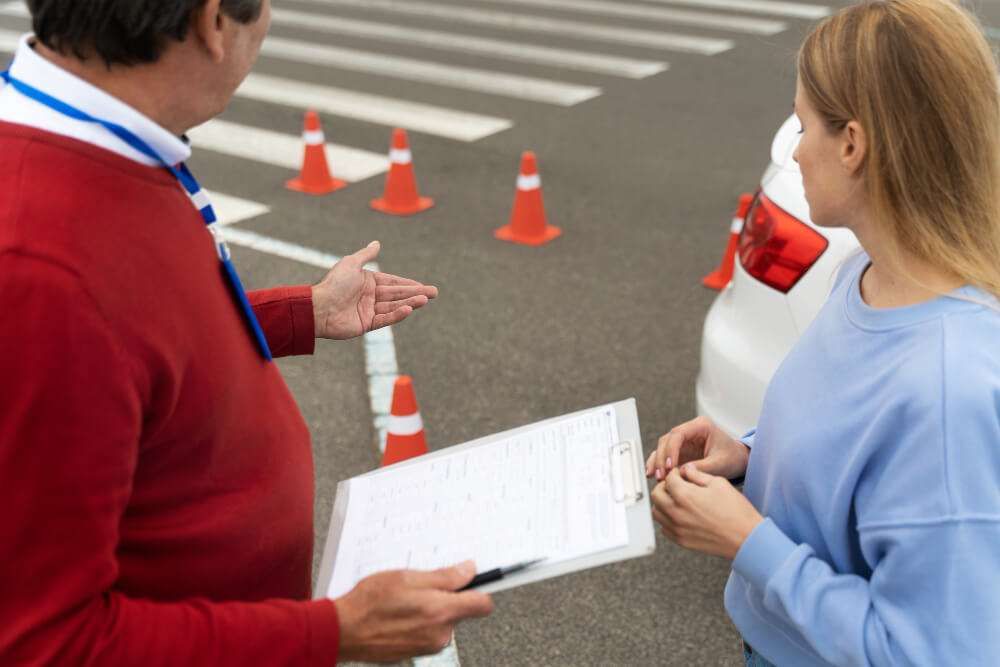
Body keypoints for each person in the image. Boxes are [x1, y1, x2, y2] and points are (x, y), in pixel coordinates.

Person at [0, 0, 493, 663]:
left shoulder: (100, 142)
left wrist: (302, 312)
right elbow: (48, 642)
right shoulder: (41, 261)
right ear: (213, 23)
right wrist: (337, 631)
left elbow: (133, 345)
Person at [646, 0, 1000, 664]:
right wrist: (749, 457)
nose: (794, 150)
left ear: (854, 144)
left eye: (803, 123)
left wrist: (750, 543)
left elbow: (933, 652)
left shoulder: (948, 390)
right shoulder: (866, 275)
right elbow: (856, 466)